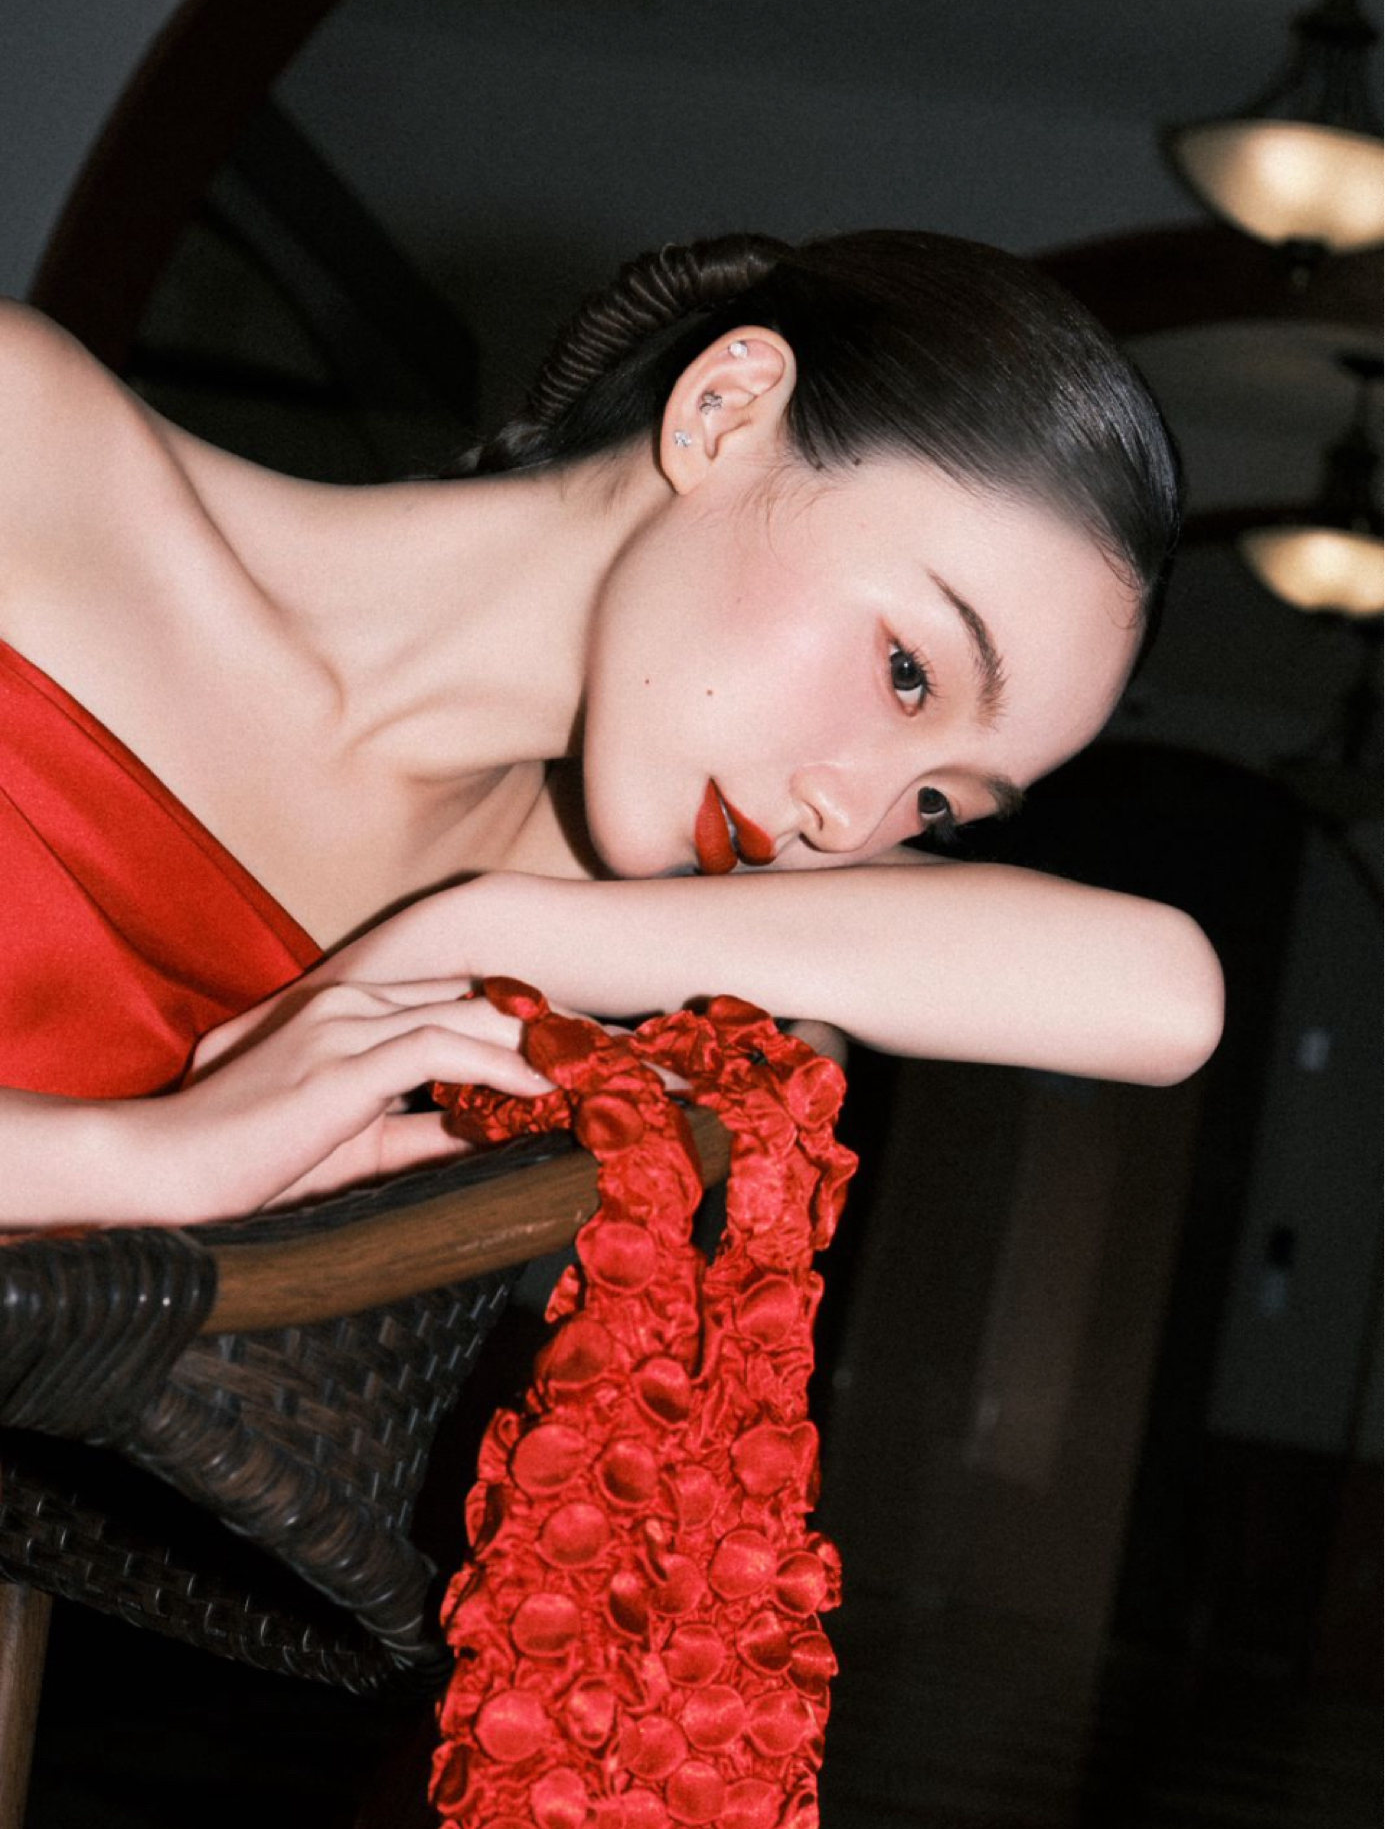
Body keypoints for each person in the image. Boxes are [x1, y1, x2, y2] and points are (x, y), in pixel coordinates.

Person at [0, 230, 1223, 1232]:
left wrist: (484, 925)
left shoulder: (572, 888)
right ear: (722, 412)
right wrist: (143, 1163)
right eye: (907, 672)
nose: (851, 820)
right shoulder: (32, 454)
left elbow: (1163, 997)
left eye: (940, 804)